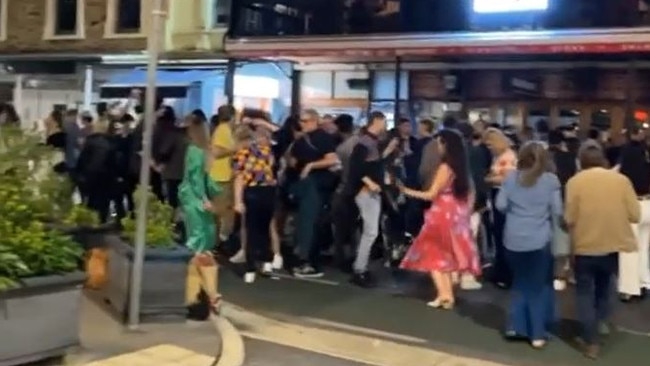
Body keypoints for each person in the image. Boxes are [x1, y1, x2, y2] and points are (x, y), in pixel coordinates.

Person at [565, 146, 640, 359]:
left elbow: (570, 217)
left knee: (584, 294)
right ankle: (602, 323)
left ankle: (590, 340)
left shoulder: (575, 182)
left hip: (585, 246)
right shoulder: (621, 181)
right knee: (605, 287)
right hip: (612, 245)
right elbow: (635, 214)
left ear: (580, 161)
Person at [399, 129, 480, 309]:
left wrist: (405, 190)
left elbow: (430, 194)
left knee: (433, 254)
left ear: (445, 145)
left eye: (439, 144)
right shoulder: (462, 168)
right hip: (458, 213)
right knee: (449, 256)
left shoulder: (445, 167)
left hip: (442, 213)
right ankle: (447, 295)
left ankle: (444, 295)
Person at [496, 142, 561, 349]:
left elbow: (500, 205)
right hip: (538, 240)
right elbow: (557, 211)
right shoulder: (550, 180)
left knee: (520, 283)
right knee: (537, 287)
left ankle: (516, 326)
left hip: (513, 239)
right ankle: (537, 333)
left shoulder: (510, 178)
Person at [178, 110, 222, 315]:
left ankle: (201, 295)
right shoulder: (200, 151)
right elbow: (199, 179)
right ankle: (209, 295)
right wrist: (207, 198)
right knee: (201, 244)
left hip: (192, 198)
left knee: (198, 244)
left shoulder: (193, 150)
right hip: (197, 199)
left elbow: (195, 179)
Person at [289, 109, 338, 278]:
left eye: (305, 121)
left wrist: (311, 166)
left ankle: (309, 262)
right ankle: (305, 258)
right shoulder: (301, 140)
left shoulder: (322, 137)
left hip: (316, 186)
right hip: (305, 185)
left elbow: (332, 159)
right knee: (304, 223)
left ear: (314, 121)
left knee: (310, 224)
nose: (302, 124)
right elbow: (293, 159)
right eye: (300, 121)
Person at [346, 111, 387, 287]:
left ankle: (360, 267)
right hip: (366, 192)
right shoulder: (365, 143)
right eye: (383, 121)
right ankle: (359, 269)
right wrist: (371, 183)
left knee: (369, 231)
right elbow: (356, 168)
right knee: (371, 231)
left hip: (368, 191)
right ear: (376, 121)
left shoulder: (369, 142)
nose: (385, 125)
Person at [233, 125, 277, 283]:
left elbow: (239, 178)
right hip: (269, 192)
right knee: (264, 228)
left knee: (250, 230)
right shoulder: (268, 152)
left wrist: (238, 201)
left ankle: (250, 268)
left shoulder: (241, 154)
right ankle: (267, 261)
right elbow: (270, 168)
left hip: (251, 192)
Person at [616, 125, 650, 301]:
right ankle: (644, 283)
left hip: (632, 202)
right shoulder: (647, 150)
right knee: (644, 246)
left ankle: (629, 289)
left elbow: (620, 175)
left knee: (629, 247)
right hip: (648, 203)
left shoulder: (627, 152)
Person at [483, 127, 517, 289]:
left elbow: (508, 179)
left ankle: (505, 274)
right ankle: (502, 270)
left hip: (502, 196)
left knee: (502, 234)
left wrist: (489, 179)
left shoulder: (507, 157)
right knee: (499, 235)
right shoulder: (500, 156)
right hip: (498, 196)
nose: (488, 147)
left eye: (490, 144)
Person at [76, 121, 118, 223]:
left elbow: (82, 159)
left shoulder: (90, 141)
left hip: (90, 174)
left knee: (91, 199)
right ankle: (102, 219)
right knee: (104, 199)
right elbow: (114, 160)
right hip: (106, 175)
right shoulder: (111, 142)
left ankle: (90, 220)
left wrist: (81, 172)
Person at [209, 105, 237, 246]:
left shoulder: (224, 130)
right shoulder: (223, 130)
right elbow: (216, 152)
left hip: (223, 175)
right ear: (233, 116)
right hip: (220, 176)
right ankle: (217, 241)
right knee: (221, 211)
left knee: (224, 209)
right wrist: (234, 149)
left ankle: (218, 241)